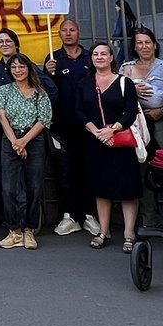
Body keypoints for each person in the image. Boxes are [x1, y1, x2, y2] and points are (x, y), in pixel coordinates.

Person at [76, 42, 143, 252]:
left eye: (104, 53)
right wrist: (96, 132)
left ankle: (129, 233)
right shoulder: (84, 84)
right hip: (95, 142)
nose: (100, 57)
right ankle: (103, 231)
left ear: (112, 57)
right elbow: (79, 111)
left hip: (121, 141)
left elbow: (131, 111)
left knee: (127, 188)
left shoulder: (125, 83)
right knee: (101, 187)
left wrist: (112, 129)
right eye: (96, 54)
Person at [45, 18, 99, 237]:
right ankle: (69, 215)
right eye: (64, 31)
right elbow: (47, 92)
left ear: (79, 33)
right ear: (59, 35)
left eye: (72, 30)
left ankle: (89, 214)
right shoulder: (53, 59)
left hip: (89, 125)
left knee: (89, 169)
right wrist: (47, 73)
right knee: (65, 171)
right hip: (63, 124)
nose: (68, 34)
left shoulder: (90, 58)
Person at [0, 54, 51, 250]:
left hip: (33, 141)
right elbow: (2, 117)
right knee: (9, 188)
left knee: (33, 187)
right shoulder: (4, 90)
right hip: (10, 140)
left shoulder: (40, 93)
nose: (17, 70)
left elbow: (44, 120)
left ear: (29, 68)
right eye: (13, 67)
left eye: (21, 66)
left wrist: (24, 142)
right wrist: (15, 143)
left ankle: (29, 230)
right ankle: (14, 231)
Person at [119, 26, 163, 228]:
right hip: (137, 125)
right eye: (139, 43)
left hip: (161, 122)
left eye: (147, 42)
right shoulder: (126, 68)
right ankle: (149, 217)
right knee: (140, 170)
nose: (144, 46)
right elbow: (118, 95)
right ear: (134, 46)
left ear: (154, 44)